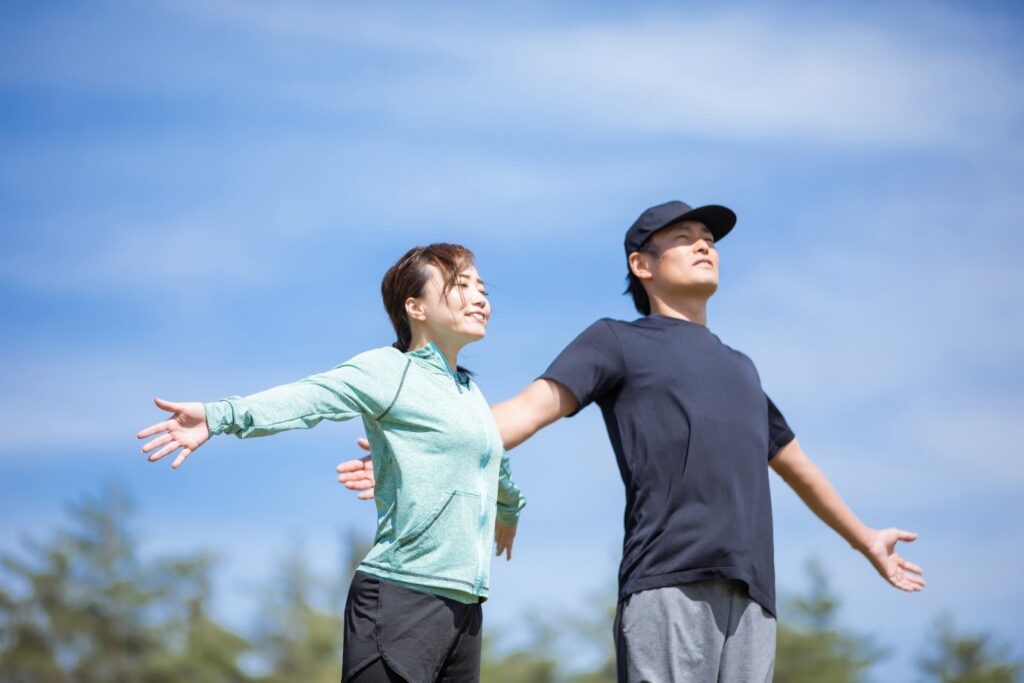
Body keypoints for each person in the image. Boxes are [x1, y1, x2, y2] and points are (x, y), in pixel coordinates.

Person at [337, 201, 925, 683]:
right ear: (641, 265)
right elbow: (529, 410)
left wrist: (865, 539)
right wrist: (421, 449)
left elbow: (798, 466)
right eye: (685, 237)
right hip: (667, 583)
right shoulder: (616, 341)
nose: (705, 246)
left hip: (753, 596)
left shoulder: (741, 367)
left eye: (709, 239)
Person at [136, 243, 526, 683]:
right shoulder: (389, 371)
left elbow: (496, 461)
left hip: (466, 613)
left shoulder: (470, 395)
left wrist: (508, 510)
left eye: (482, 288)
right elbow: (310, 397)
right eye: (461, 285)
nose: (480, 298)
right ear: (415, 307)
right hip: (402, 599)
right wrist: (219, 415)